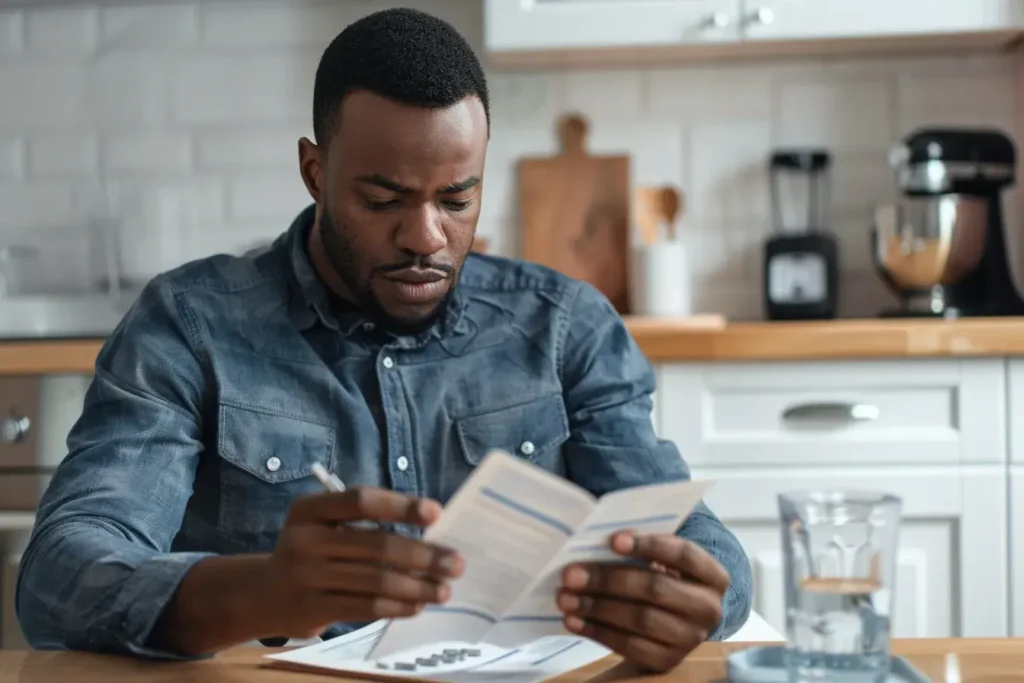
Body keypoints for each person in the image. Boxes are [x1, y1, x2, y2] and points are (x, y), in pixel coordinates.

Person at [16, 7, 752, 674]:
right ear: (315, 171)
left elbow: (703, 546)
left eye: (457, 198)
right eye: (383, 199)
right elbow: (59, 575)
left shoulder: (566, 327)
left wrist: (693, 599)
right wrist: (262, 591)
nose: (424, 237)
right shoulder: (190, 324)